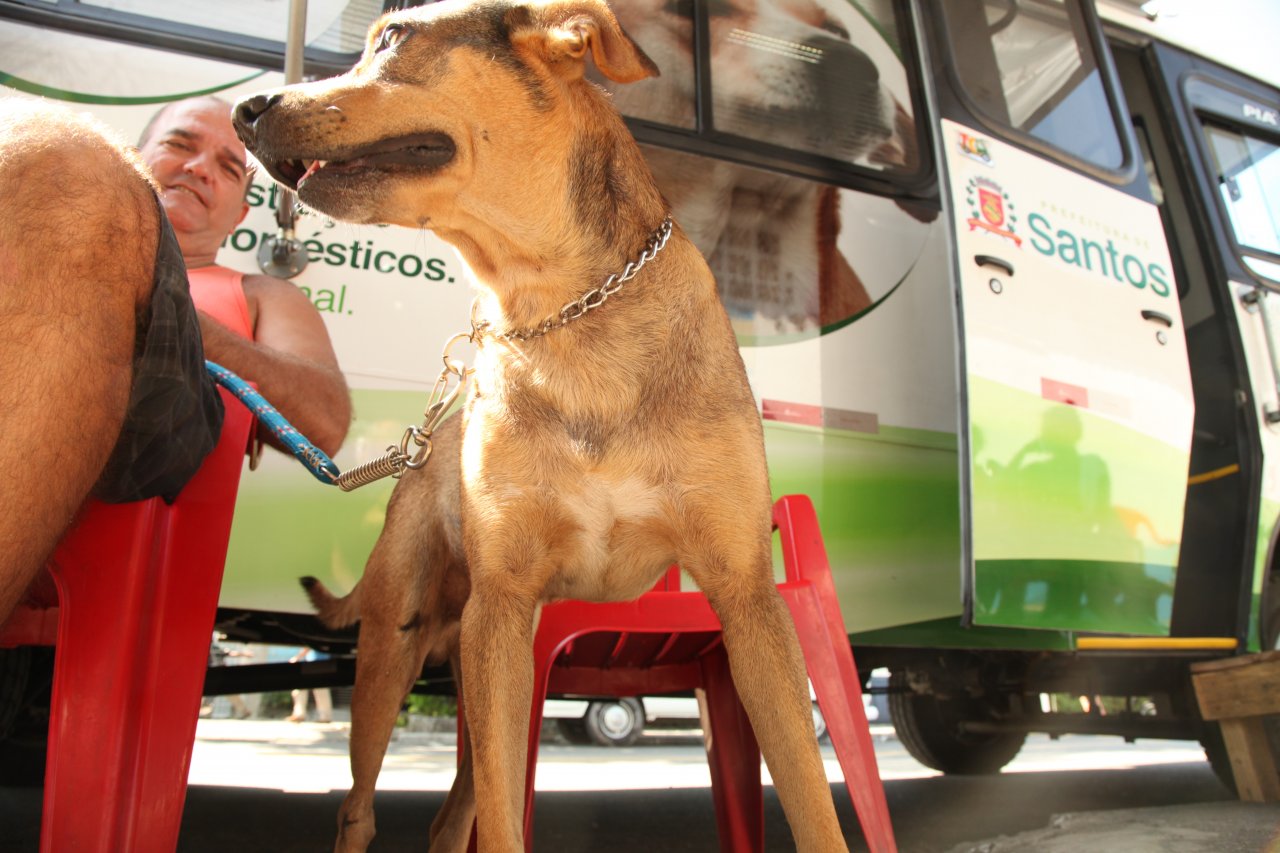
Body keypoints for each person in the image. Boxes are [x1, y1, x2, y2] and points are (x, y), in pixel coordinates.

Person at [0, 96, 350, 627]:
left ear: (240, 216)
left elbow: (323, 423)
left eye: (228, 168)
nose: (197, 168)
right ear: (132, 158)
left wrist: (185, 321)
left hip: (152, 462)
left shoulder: (264, 295)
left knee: (56, 146)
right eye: (179, 145)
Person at [287, 647, 333, 724]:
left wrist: (297, 657)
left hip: (317, 663)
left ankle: (324, 716)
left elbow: (308, 646)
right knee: (305, 688)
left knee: (318, 690)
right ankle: (300, 714)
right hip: (315, 663)